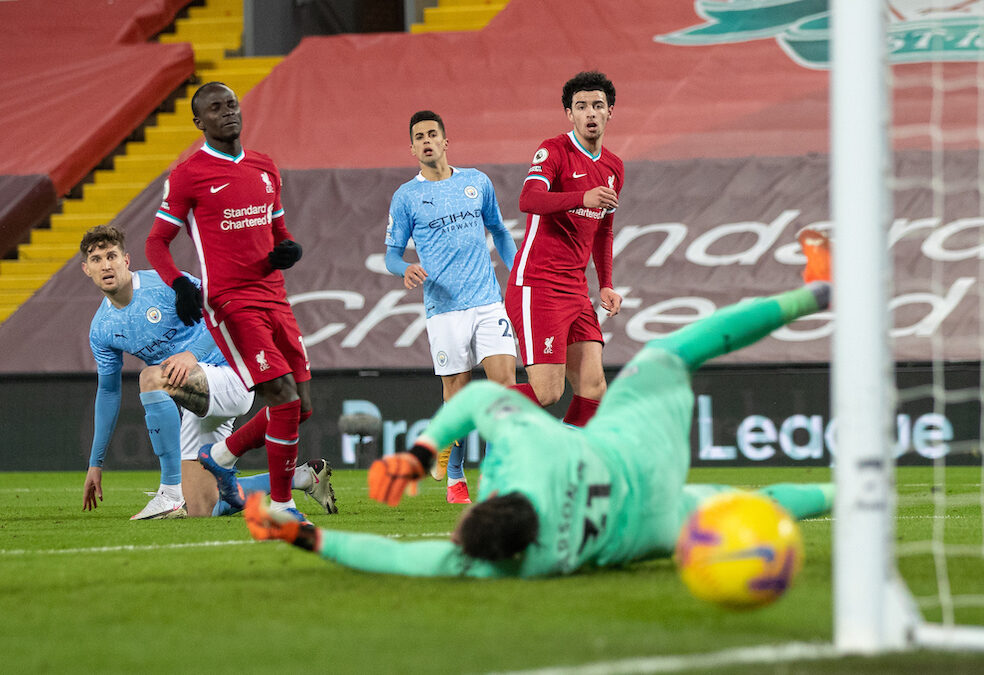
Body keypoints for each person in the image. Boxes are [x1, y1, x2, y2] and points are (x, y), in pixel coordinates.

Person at [245, 278, 835, 578]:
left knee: (747, 507)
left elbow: (392, 560)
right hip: (632, 449)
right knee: (668, 355)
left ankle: (852, 492)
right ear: (495, 502)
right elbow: (476, 403)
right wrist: (421, 455)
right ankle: (810, 297)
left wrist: (301, 537)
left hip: (654, 522)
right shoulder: (533, 449)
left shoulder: (520, 564)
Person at [79, 226, 336, 519]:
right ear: (86, 269)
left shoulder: (166, 284)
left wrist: (192, 355)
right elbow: (109, 391)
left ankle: (169, 493)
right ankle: (304, 478)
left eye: (111, 256)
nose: (106, 265)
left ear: (126, 260)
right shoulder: (102, 328)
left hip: (232, 372)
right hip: (196, 395)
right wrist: (95, 463)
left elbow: (230, 308)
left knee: (151, 377)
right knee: (203, 508)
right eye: (97, 259)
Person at [145, 81, 315, 523]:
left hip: (275, 296)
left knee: (301, 404)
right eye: (216, 108)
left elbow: (281, 234)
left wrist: (290, 250)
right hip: (231, 302)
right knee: (281, 396)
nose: (228, 113)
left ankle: (221, 454)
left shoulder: (264, 167)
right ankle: (283, 507)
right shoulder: (188, 175)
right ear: (199, 122)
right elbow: (156, 244)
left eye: (232, 105)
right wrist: (182, 284)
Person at [384, 110, 518, 504]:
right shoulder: (406, 196)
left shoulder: (477, 182)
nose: (426, 141)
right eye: (419, 137)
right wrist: (405, 268)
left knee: (502, 390)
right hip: (444, 309)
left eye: (432, 134)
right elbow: (391, 255)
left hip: (488, 301)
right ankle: (455, 476)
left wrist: (519, 272)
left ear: (446, 141)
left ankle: (493, 478)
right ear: (412, 148)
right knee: (457, 399)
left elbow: (500, 231)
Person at [505, 71, 624, 428]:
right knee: (547, 393)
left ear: (610, 112)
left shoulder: (614, 167)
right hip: (538, 285)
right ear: (569, 114)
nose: (590, 113)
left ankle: (566, 469)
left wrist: (605, 283)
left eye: (597, 106)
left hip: (576, 290)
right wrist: (580, 197)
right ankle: (462, 415)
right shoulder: (554, 150)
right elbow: (528, 199)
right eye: (581, 106)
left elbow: (604, 229)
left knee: (594, 387)